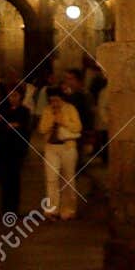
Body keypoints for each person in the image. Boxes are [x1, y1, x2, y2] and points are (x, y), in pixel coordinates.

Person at [0, 84, 33, 216]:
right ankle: (5, 207)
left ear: (20, 96)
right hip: (3, 149)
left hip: (16, 150)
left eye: (15, 95)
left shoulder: (24, 111)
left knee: (15, 179)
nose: (12, 98)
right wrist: (9, 125)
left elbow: (24, 129)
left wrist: (10, 125)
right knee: (4, 179)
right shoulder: (2, 109)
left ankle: (14, 207)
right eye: (10, 96)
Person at [41, 91, 82, 219]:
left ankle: (69, 209)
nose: (54, 104)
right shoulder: (47, 110)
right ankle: (52, 209)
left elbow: (77, 127)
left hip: (67, 147)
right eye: (52, 101)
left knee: (68, 179)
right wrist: (52, 120)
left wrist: (63, 121)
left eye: (57, 100)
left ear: (62, 99)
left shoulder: (70, 109)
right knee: (51, 179)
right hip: (51, 148)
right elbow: (42, 128)